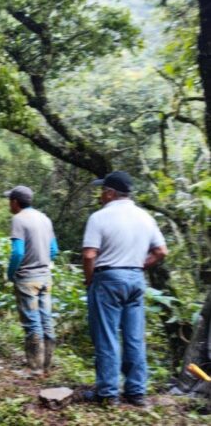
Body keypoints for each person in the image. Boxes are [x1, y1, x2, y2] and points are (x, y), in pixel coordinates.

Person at [81, 171, 167, 406]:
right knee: (134, 336)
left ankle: (108, 393)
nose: (100, 195)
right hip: (136, 279)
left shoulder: (99, 217)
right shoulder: (145, 217)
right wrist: (140, 265)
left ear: (110, 193)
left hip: (108, 278)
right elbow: (161, 251)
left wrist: (90, 279)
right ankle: (136, 391)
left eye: (102, 191)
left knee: (107, 336)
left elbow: (89, 254)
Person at [4, 185, 59, 375]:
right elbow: (54, 250)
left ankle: (34, 368)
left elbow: (18, 252)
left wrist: (11, 273)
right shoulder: (45, 219)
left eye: (9, 201)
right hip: (45, 277)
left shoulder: (19, 219)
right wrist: (42, 262)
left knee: (32, 322)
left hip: (27, 278)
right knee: (46, 320)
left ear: (15, 202)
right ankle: (46, 365)